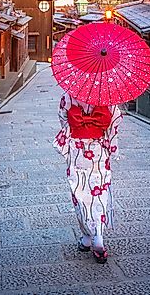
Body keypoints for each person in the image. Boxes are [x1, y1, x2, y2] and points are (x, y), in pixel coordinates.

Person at [53, 92, 122, 263]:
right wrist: (111, 145)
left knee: (80, 193)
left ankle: (87, 238)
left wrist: (80, 123)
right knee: (99, 192)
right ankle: (98, 236)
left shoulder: (68, 96)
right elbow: (115, 122)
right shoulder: (108, 97)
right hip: (98, 151)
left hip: (77, 150)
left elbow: (64, 120)